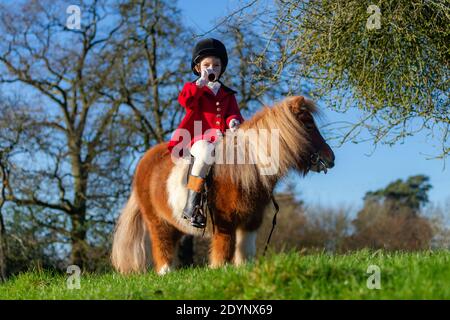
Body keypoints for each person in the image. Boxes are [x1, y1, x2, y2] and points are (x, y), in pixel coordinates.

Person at [168, 38, 244, 228]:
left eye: (216, 65)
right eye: (207, 65)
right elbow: (186, 102)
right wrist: (200, 84)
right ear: (197, 68)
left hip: (223, 139)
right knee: (205, 152)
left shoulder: (228, 93)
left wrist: (233, 121)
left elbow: (233, 113)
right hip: (198, 139)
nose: (212, 68)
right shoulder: (193, 88)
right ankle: (192, 205)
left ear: (222, 68)